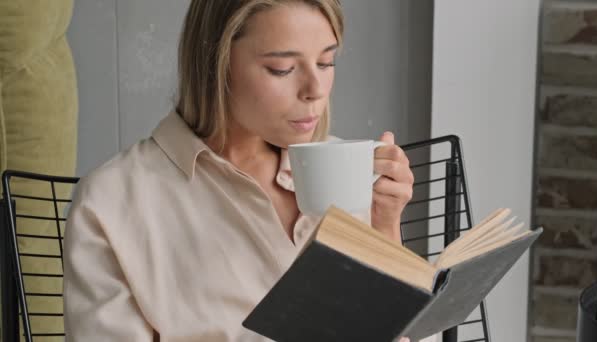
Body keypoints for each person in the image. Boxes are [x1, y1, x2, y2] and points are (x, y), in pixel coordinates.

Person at [64, 1, 430, 341]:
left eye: (326, 62)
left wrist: (385, 230)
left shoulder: (347, 168)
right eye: (282, 69)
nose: (315, 90)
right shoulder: (112, 203)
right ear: (217, 63)